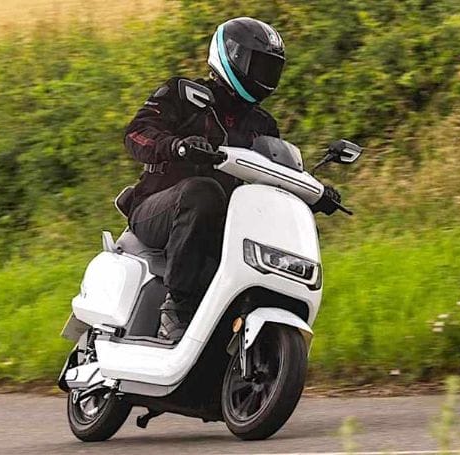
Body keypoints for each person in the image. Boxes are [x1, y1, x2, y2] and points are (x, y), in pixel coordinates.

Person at [122, 17, 341, 341]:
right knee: (203, 191)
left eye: (271, 69)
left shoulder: (263, 124)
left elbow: (274, 173)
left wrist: (314, 192)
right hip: (156, 210)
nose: (265, 76)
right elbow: (136, 134)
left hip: (223, 222)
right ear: (232, 56)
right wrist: (177, 146)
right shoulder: (183, 94)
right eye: (259, 65)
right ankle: (176, 310)